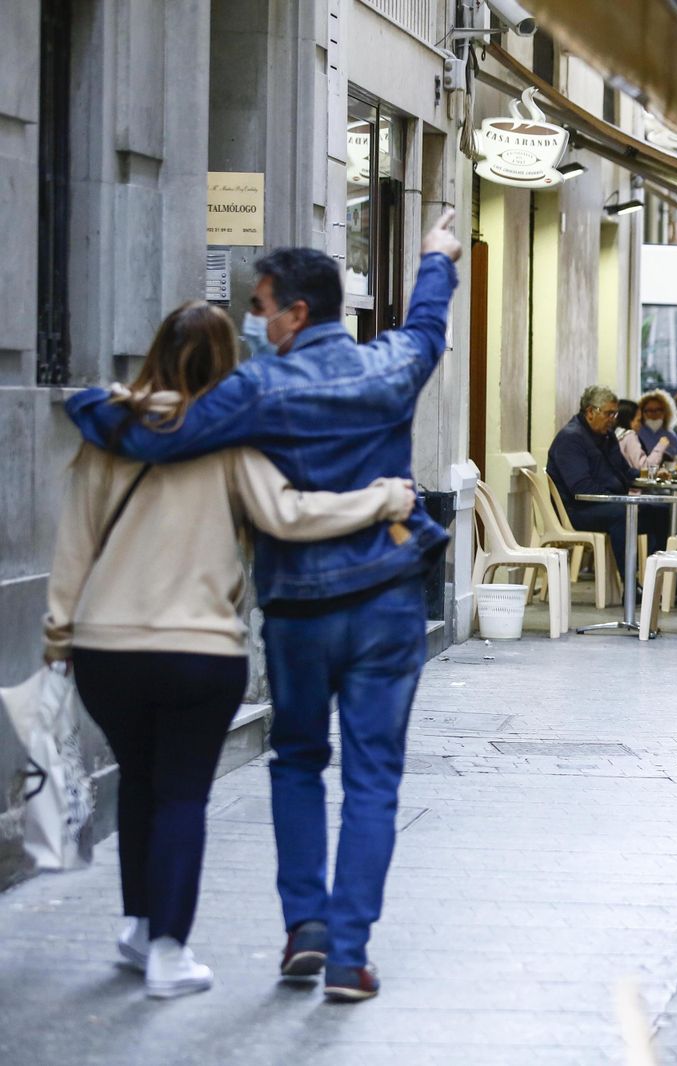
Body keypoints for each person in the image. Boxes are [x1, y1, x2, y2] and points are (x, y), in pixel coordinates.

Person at [65, 210, 465, 1002]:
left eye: (262, 304)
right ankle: (349, 955)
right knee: (376, 780)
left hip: (299, 612)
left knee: (298, 763)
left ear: (296, 314)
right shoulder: (392, 365)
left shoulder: (255, 387)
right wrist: (435, 257)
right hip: (387, 602)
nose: (253, 317)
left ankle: (304, 931)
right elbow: (427, 322)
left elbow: (160, 437)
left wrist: (90, 405)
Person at [549, 385, 672, 567]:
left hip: (606, 502)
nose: (613, 420)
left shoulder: (607, 436)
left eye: (615, 414)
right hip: (578, 510)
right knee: (622, 514)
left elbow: (623, 471)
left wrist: (648, 474)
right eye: (609, 414)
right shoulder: (571, 438)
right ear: (590, 412)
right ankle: (630, 586)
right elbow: (581, 488)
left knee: (661, 510)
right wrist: (620, 499)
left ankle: (662, 584)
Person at [620, 389, 677, 472]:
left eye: (658, 410)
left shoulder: (671, 436)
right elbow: (645, 467)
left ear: (666, 412)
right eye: (649, 411)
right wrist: (661, 446)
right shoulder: (633, 434)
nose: (654, 414)